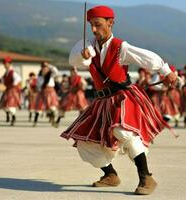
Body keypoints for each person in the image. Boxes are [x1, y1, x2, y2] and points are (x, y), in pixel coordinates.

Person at [60, 5, 177, 195]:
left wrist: (166, 71)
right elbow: (75, 60)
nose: (94, 30)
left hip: (122, 97)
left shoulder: (120, 47)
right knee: (85, 142)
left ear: (110, 22)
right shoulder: (87, 45)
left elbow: (146, 57)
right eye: (91, 25)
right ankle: (110, 175)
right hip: (101, 102)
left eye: (98, 24)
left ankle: (146, 177)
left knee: (123, 131)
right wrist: (83, 56)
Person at [33, 62, 59, 127]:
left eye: (45, 67)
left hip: (50, 92)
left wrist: (49, 65)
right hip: (42, 92)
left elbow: (56, 71)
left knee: (52, 107)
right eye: (43, 67)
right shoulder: (39, 76)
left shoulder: (50, 74)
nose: (44, 69)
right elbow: (38, 85)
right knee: (38, 107)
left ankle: (53, 121)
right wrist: (39, 89)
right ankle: (35, 121)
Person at [0, 57, 22, 126]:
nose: (4, 65)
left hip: (12, 91)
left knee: (10, 104)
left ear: (9, 64)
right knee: (4, 105)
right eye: (4, 64)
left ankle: (13, 117)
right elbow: (2, 80)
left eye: (6, 64)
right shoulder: (6, 73)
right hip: (8, 90)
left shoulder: (12, 72)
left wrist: (13, 85)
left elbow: (18, 79)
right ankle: (10, 116)